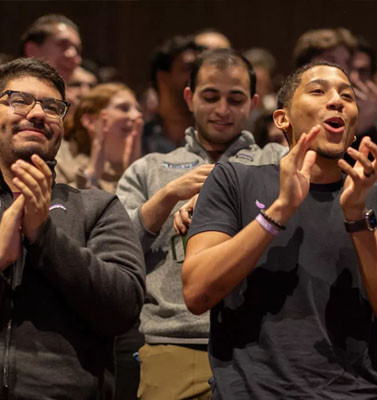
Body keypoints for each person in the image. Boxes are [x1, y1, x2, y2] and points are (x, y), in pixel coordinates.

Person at [0, 58, 145, 398]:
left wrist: (44, 236)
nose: (37, 113)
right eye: (19, 100)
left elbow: (124, 309)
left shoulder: (98, 207)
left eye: (52, 107)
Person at [181, 61, 377, 398]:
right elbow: (196, 292)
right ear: (283, 118)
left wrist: (357, 218)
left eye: (347, 97)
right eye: (318, 91)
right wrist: (279, 210)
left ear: (353, 126)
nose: (336, 101)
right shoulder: (233, 180)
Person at [116, 48, 285, 400]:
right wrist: (167, 197)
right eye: (210, 97)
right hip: (174, 343)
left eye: (235, 99)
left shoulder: (276, 161)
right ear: (189, 97)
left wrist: (219, 203)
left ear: (253, 102)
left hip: (264, 341)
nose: (222, 110)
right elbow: (116, 251)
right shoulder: (148, 169)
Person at [0, 15, 82, 183]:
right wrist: (21, 138)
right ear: (32, 50)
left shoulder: (79, 114)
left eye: (78, 49)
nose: (73, 55)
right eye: (63, 45)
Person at [65, 83, 143, 193]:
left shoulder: (148, 169)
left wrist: (134, 175)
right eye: (124, 108)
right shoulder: (68, 166)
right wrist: (92, 174)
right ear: (91, 121)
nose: (137, 115)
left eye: (138, 109)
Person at [142, 36, 204, 154]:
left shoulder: (214, 136)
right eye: (189, 68)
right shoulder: (140, 137)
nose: (199, 77)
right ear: (162, 77)